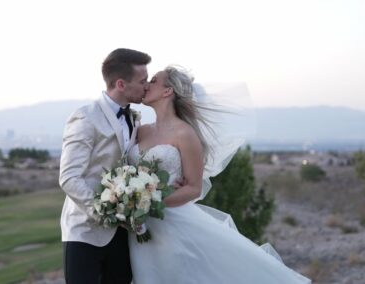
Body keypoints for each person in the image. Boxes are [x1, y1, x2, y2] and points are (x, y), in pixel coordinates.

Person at [127, 65, 311, 283]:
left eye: (154, 80)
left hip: (170, 224)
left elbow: (193, 188)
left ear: (168, 91)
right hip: (136, 226)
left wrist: (149, 203)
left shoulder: (185, 134)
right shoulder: (140, 130)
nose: (146, 84)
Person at [59, 48, 150, 284]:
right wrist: (105, 214)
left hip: (123, 235)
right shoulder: (85, 117)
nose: (147, 86)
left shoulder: (135, 118)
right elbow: (69, 178)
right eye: (142, 81)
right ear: (121, 84)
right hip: (84, 232)